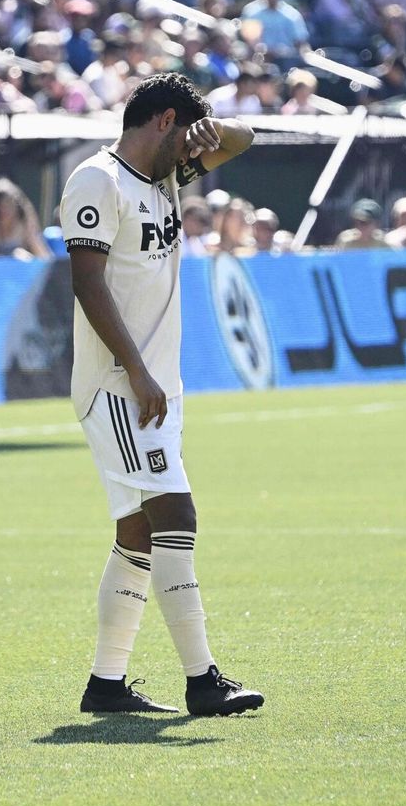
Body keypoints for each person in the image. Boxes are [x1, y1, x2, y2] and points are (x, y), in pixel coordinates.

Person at [59, 72, 263, 717]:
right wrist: (137, 370)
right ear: (165, 121)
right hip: (121, 384)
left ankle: (107, 684)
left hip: (152, 386)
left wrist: (219, 129)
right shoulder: (99, 180)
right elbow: (88, 283)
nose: (193, 158)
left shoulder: (164, 177)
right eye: (187, 136)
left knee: (138, 534)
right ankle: (203, 680)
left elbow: (245, 140)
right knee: (177, 517)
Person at [0, 179, 51, 260]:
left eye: (8, 204)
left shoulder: (25, 226)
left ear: (16, 207)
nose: (4, 209)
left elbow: (44, 257)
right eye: (0, 205)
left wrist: (24, 257)